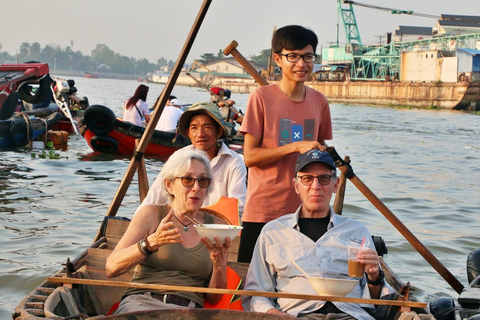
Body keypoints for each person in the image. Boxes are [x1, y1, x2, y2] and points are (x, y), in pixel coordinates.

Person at [242, 149, 395, 319]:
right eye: (307, 179)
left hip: (351, 315)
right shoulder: (273, 233)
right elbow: (256, 294)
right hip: (297, 315)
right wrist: (275, 314)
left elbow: (375, 304)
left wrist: (374, 277)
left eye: (324, 178)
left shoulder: (358, 232)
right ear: (296, 186)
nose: (316, 187)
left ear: (335, 185)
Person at [238, 25, 333, 263]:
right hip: (264, 209)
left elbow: (319, 159)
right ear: (278, 59)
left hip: (306, 210)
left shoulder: (319, 101)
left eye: (308, 56)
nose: (301, 64)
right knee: (249, 282)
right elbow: (249, 157)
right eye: (293, 56)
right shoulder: (261, 98)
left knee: (298, 283)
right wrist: (295, 146)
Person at [106, 149, 231, 313]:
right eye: (187, 180)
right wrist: (151, 242)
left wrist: (219, 265)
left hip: (191, 311)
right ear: (169, 185)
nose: (196, 187)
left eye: (203, 180)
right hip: (142, 303)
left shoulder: (216, 226)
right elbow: (111, 268)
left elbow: (215, 297)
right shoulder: (151, 215)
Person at [135, 102, 247, 217]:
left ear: (218, 132)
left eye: (207, 127)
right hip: (180, 226)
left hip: (216, 228)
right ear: (188, 133)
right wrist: (137, 221)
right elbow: (155, 196)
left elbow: (238, 206)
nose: (200, 134)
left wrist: (202, 217)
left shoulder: (233, 161)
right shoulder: (178, 157)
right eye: (194, 128)